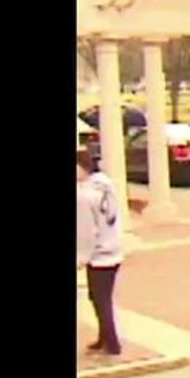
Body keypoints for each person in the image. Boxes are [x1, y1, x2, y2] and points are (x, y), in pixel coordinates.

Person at [77, 148, 124, 357]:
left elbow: (87, 231)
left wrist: (81, 258)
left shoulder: (84, 196)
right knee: (99, 297)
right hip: (114, 248)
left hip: (99, 255)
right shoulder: (106, 185)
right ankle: (104, 337)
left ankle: (112, 343)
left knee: (100, 299)